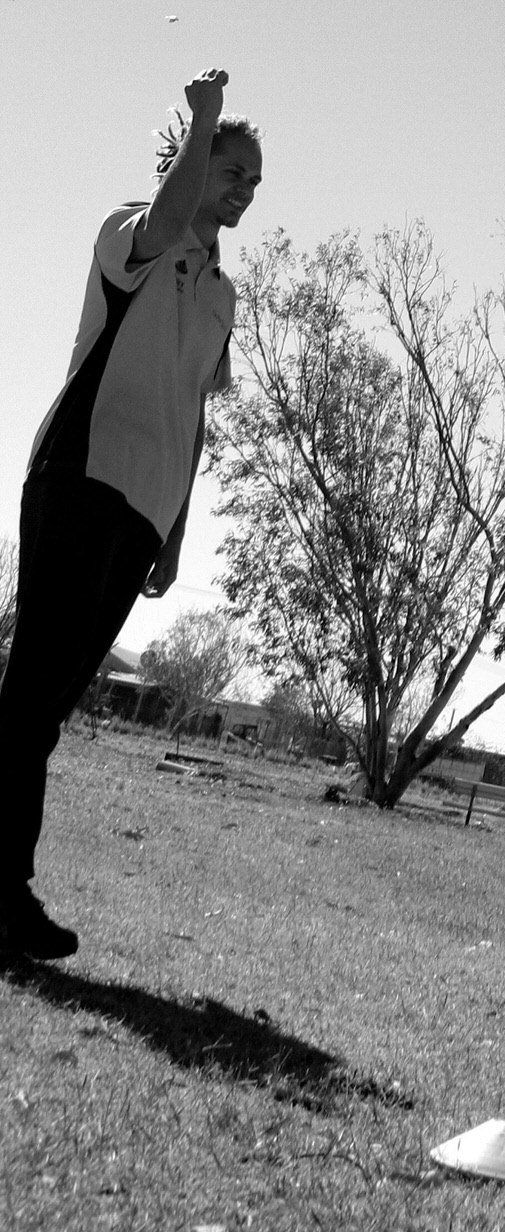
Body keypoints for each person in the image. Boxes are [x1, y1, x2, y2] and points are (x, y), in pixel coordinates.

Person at [0, 71, 260, 963]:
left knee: (49, 706)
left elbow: (195, 415)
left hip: (142, 512)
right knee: (28, 696)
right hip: (80, 477)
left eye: (254, 181)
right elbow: (173, 202)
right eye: (233, 169)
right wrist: (206, 120)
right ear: (190, 161)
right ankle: (4, 895)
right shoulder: (131, 233)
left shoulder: (223, 294)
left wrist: (176, 530)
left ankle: (5, 893)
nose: (246, 190)